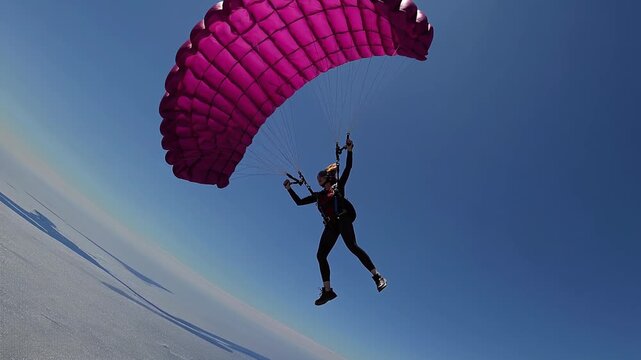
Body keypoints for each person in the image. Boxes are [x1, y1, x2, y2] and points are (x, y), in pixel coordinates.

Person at [283, 138, 387, 306]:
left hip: (343, 219)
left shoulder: (338, 186)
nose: (318, 179)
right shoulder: (319, 195)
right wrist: (289, 189)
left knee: (352, 246)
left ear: (327, 178)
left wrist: (350, 150)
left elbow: (348, 168)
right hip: (331, 225)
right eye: (318, 178)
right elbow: (299, 202)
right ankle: (328, 291)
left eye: (320, 177)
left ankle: (377, 276)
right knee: (320, 255)